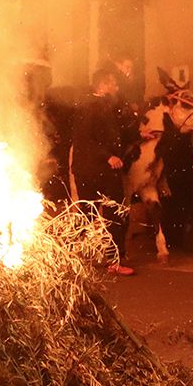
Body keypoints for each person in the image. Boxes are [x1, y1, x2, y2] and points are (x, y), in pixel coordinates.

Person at [72, 67, 140, 275]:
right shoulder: (88, 107)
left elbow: (114, 134)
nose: (116, 87)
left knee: (104, 213)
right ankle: (80, 258)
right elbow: (85, 140)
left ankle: (109, 259)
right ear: (102, 85)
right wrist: (107, 156)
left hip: (102, 170)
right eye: (113, 83)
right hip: (93, 170)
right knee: (96, 213)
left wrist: (138, 133)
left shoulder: (104, 107)